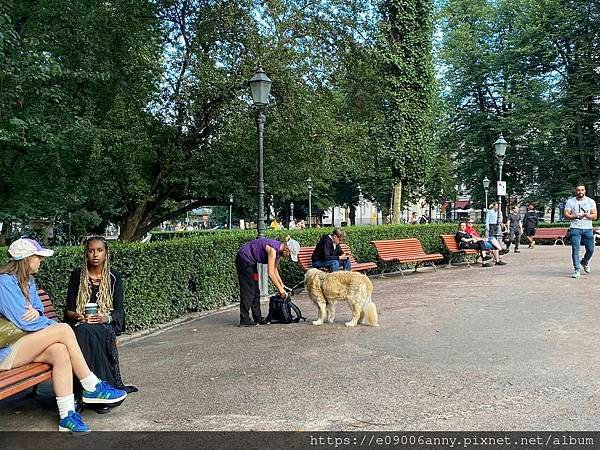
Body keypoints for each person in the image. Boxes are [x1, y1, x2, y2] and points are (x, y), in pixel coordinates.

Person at [0, 238, 127, 433]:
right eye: (38, 257)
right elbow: (24, 321)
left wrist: (37, 315)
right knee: (64, 329)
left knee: (60, 351)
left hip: (25, 342)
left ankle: (67, 416)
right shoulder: (5, 282)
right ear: (26, 259)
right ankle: (92, 386)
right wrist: (47, 322)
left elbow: (38, 311)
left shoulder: (29, 282)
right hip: (7, 350)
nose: (40, 261)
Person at [64, 236, 137, 413]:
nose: (95, 255)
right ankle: (85, 392)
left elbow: (119, 311)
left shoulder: (114, 277)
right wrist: (78, 316)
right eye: (91, 250)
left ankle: (90, 394)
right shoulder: (77, 275)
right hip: (81, 324)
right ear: (85, 253)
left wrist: (106, 318)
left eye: (99, 250)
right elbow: (68, 309)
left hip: (104, 325)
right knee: (84, 333)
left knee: (92, 333)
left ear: (106, 253)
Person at [235, 236, 300, 327]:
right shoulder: (273, 250)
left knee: (256, 291)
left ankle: (258, 317)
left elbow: (275, 269)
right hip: (244, 260)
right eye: (289, 254)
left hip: (252, 263)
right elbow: (270, 273)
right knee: (249, 291)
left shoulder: (279, 253)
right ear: (286, 249)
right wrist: (280, 290)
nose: (288, 257)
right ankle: (244, 319)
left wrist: (282, 285)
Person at [564, 184, 597, 278]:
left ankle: (584, 261)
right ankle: (577, 270)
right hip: (575, 228)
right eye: (578, 190)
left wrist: (586, 215)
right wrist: (576, 216)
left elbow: (594, 216)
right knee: (575, 249)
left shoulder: (590, 201)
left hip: (588, 229)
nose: (580, 192)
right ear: (575, 191)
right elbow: (566, 215)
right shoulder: (570, 201)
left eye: (582, 190)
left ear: (585, 191)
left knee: (590, 249)